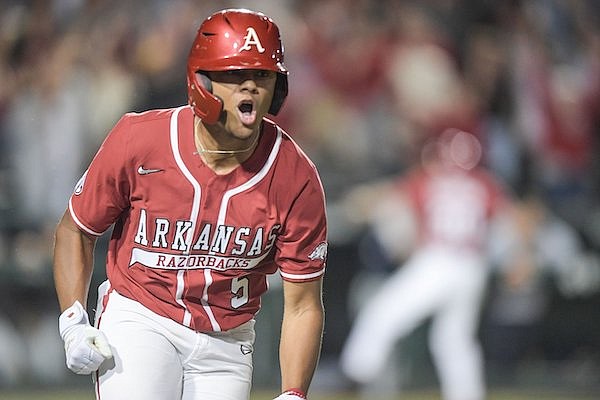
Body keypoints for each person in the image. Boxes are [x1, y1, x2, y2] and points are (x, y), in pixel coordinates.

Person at [53, 8, 327, 400]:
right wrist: (73, 321)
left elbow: (303, 304)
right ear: (201, 81)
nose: (249, 87)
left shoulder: (295, 176)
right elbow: (77, 228)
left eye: (262, 75)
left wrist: (293, 393)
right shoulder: (139, 139)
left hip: (227, 340)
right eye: (234, 75)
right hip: (142, 314)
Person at [339, 129, 510, 400]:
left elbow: (390, 197)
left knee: (382, 313)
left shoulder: (430, 179)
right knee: (453, 339)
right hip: (472, 266)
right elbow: (506, 220)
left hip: (439, 260)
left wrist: (358, 204)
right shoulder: (485, 184)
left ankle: (353, 376)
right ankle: (467, 394)